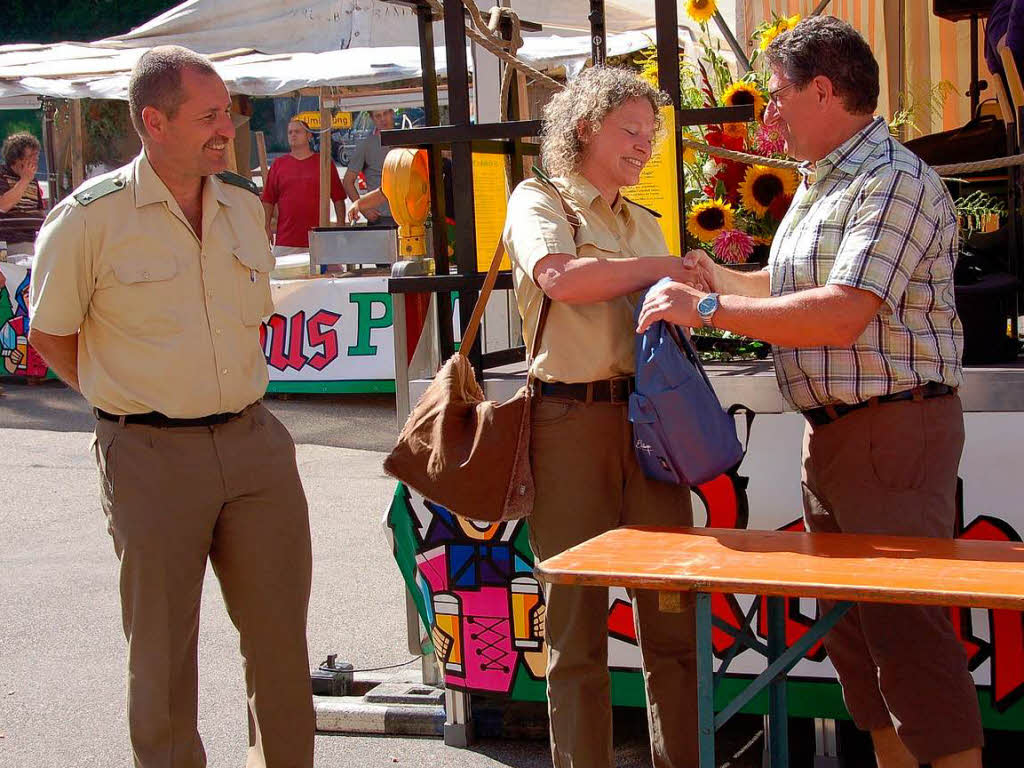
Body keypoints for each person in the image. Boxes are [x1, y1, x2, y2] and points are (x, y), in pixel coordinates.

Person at [637, 16, 982, 768]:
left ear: (824, 91)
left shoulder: (891, 178)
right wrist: (716, 278)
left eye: (777, 95)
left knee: (908, 642)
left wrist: (708, 308)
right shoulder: (829, 178)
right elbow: (789, 287)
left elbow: (841, 311)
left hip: (890, 432)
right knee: (861, 647)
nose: (768, 113)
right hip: (839, 435)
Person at [28, 46, 314, 768]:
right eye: (209, 116)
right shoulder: (87, 220)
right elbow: (49, 333)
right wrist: (122, 403)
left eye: (229, 113)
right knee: (161, 659)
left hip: (254, 447)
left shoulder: (243, 205)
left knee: (281, 647)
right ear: (152, 121)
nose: (228, 129)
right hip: (149, 455)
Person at [503, 67, 707, 768]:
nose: (645, 146)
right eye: (631, 130)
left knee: (673, 623)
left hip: (652, 425)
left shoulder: (645, 222)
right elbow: (560, 278)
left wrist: (691, 285)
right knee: (575, 629)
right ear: (585, 126)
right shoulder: (540, 199)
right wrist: (659, 270)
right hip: (569, 423)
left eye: (650, 134)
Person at [261, 117, 345, 257]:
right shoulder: (278, 164)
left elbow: (338, 198)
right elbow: (268, 200)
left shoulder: (323, 163)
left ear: (309, 135)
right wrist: (266, 227)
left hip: (319, 240)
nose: (293, 135)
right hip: (286, 241)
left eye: (298, 131)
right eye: (290, 132)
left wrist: (341, 228)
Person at [343, 108, 396, 224]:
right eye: (378, 116)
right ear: (372, 119)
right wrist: (363, 209)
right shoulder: (366, 144)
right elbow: (347, 181)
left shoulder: (407, 139)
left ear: (392, 113)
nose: (383, 119)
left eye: (385, 113)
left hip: (408, 215)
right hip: (381, 218)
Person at [0, 132, 46, 257]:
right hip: (13, 243)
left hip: (35, 241)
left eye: (36, 155)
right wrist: (24, 180)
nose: (35, 160)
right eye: (31, 156)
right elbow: (3, 205)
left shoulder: (32, 181)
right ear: (16, 158)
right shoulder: (2, 175)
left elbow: (40, 211)